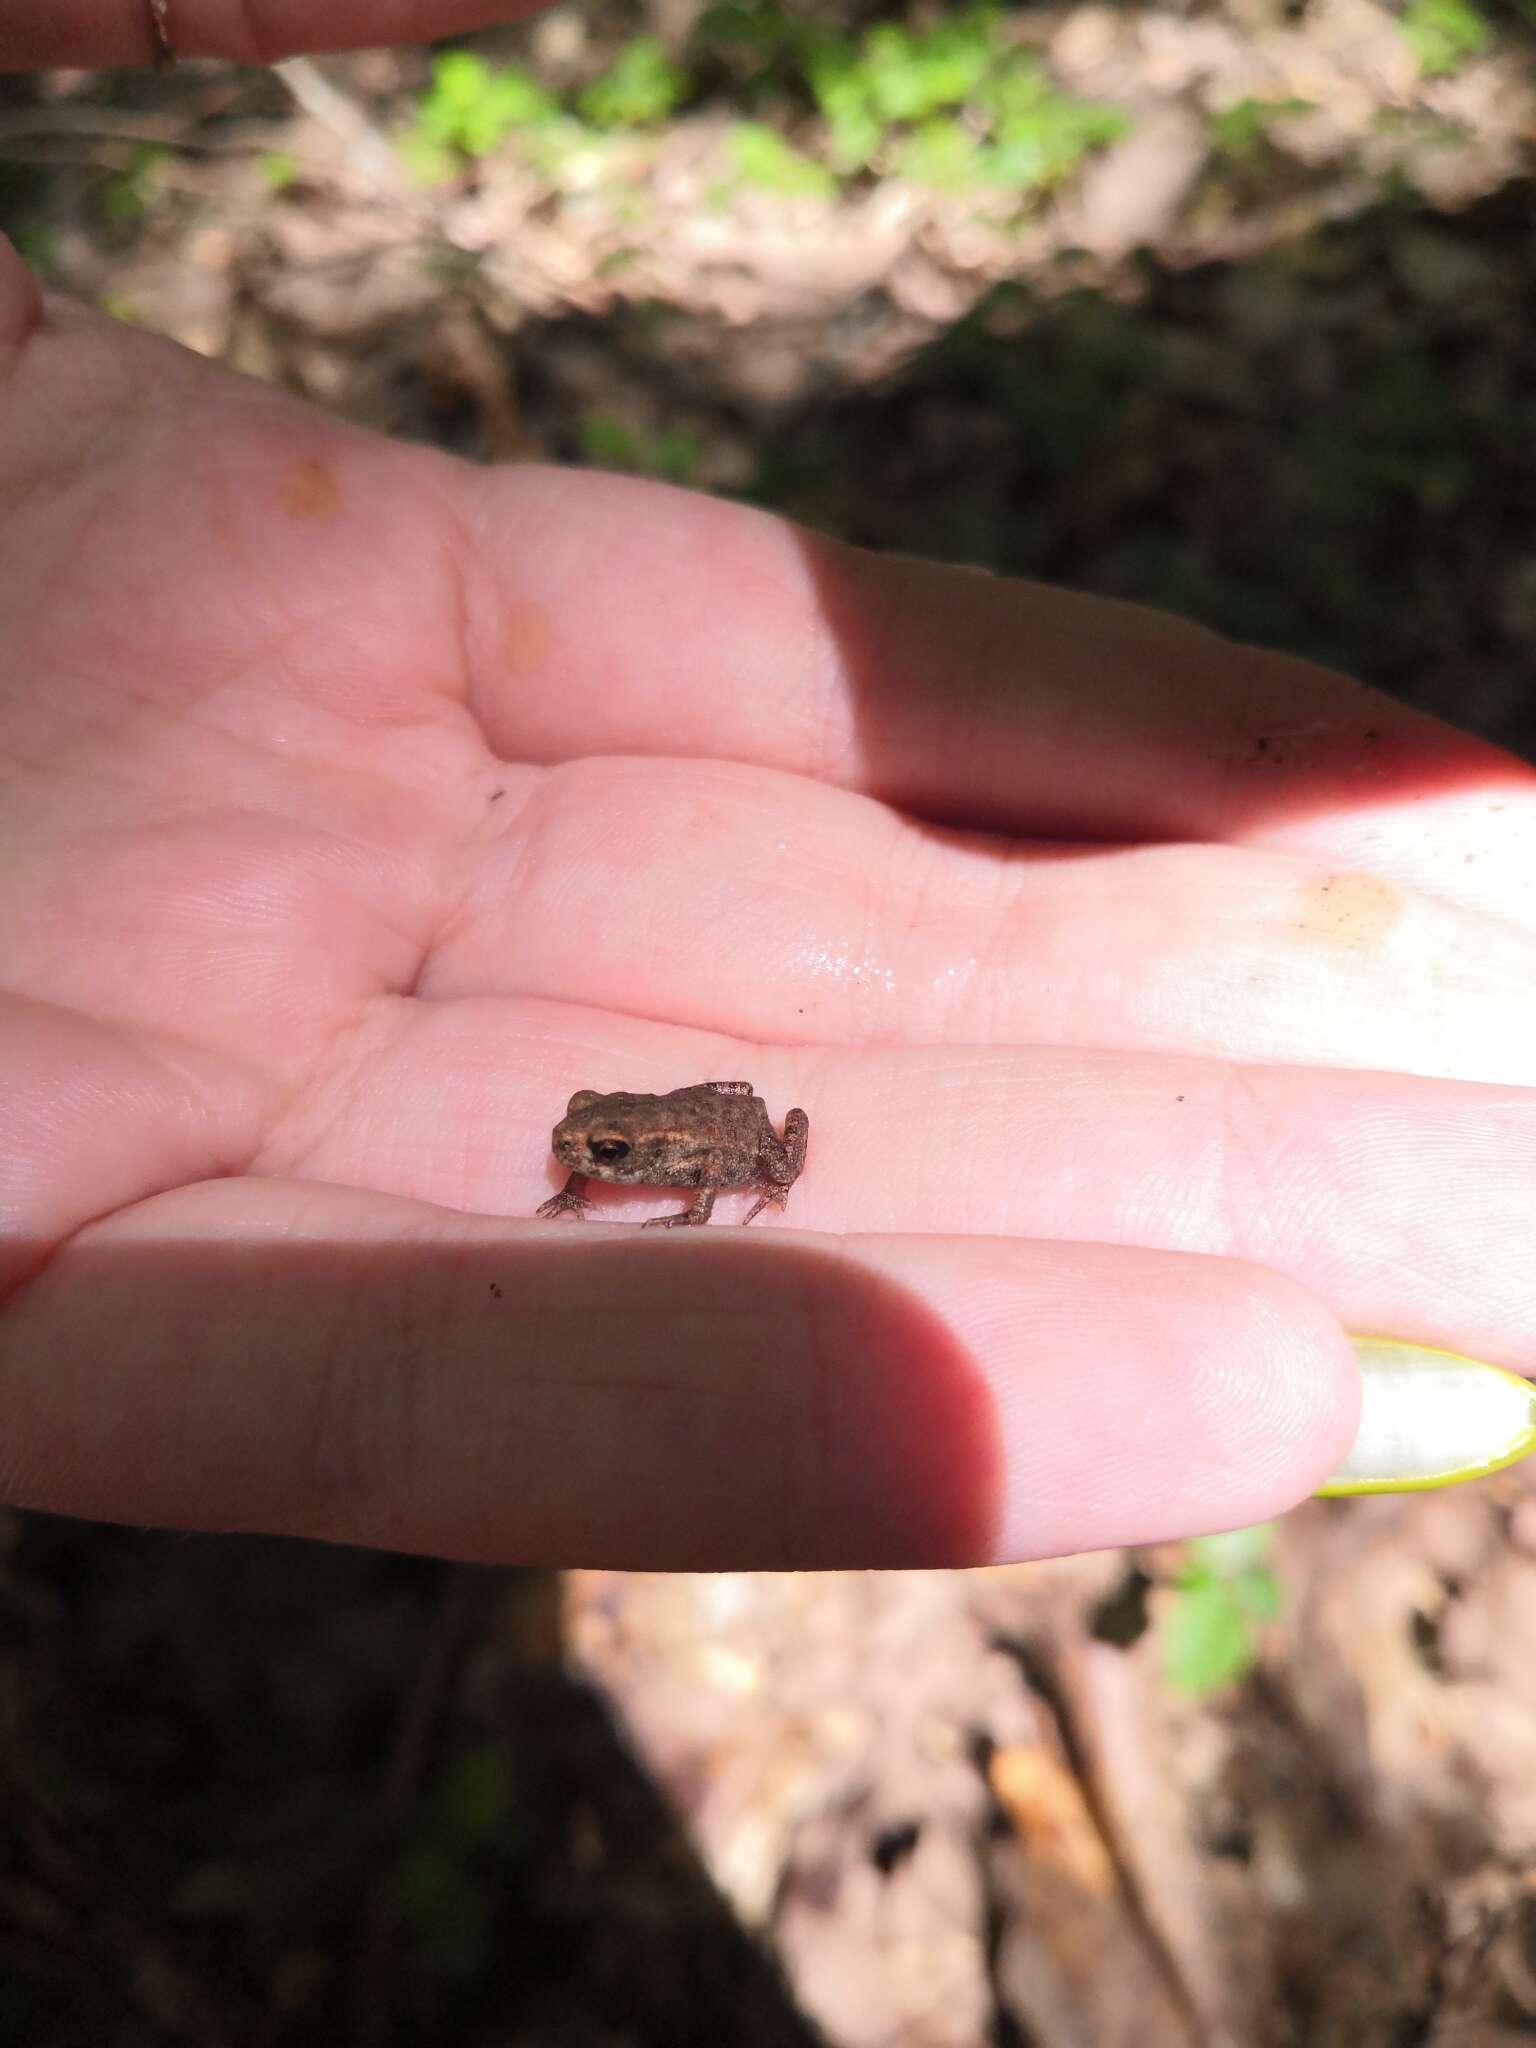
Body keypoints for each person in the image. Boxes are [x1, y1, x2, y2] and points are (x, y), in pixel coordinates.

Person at [1, 2, 1532, 1571]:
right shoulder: (614, 1149)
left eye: (599, 1151)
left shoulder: (675, 1167)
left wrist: (703, 1187)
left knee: (762, 1139)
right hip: (714, 1119)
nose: (589, 1155)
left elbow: (701, 1167)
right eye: (595, 1147)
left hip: (744, 1141)